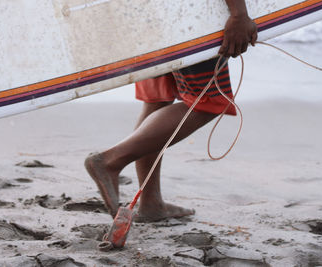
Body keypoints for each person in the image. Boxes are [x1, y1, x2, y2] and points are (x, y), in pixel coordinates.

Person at [85, 0, 258, 222]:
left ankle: (151, 204)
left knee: (158, 99)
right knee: (208, 102)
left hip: (146, 14)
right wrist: (238, 14)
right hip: (189, 16)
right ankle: (110, 161)